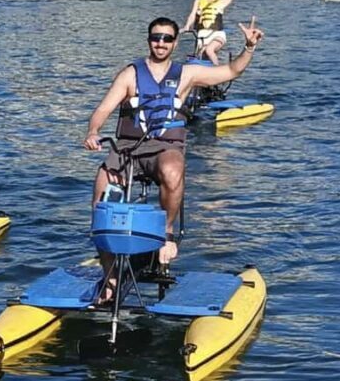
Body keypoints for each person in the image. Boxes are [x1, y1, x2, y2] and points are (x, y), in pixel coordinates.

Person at [83, 15, 264, 299]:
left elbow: (231, 71)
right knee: (102, 188)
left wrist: (249, 48)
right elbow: (103, 109)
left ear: (175, 42)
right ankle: (110, 276)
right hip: (128, 148)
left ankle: (165, 235)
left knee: (172, 168)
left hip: (165, 147)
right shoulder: (130, 74)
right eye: (156, 37)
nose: (161, 43)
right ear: (149, 40)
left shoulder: (187, 74)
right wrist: (93, 131)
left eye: (167, 38)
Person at [182, 0, 256, 65]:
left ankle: (218, 71)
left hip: (217, 34)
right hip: (202, 35)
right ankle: (207, 75)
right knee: (201, 58)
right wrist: (187, 26)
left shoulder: (222, 1)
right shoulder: (199, 0)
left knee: (209, 50)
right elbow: (192, 15)